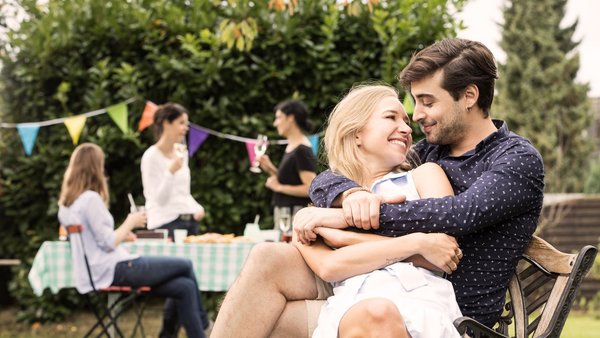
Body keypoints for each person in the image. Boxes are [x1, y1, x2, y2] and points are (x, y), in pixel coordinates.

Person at [211, 38, 544, 337]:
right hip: (367, 279)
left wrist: (343, 221)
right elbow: (333, 177)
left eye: (427, 101)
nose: (416, 116)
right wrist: (350, 194)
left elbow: (458, 215)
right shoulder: (428, 151)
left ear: (469, 95)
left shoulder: (514, 158)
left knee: (306, 316)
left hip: (452, 312)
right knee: (267, 264)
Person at [294, 84, 463, 338]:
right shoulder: (326, 199)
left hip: (420, 307)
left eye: (406, 122)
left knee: (378, 313)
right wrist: (417, 243)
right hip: (349, 308)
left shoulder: (424, 176)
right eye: (391, 117)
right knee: (374, 312)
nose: (407, 129)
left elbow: (443, 253)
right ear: (356, 133)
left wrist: (344, 236)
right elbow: (331, 268)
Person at [58, 143, 210, 338]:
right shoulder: (91, 199)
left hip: (98, 271)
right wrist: (130, 223)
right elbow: (107, 243)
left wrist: (121, 235)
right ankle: (204, 325)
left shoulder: (68, 205)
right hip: (117, 268)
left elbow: (96, 239)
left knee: (185, 287)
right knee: (185, 264)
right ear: (95, 167)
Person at [141, 102, 205, 241]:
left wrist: (196, 207)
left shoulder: (181, 152)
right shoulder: (151, 156)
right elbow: (159, 199)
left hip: (189, 223)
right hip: (164, 224)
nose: (185, 128)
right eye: (181, 123)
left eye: (186, 124)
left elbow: (183, 193)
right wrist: (171, 172)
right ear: (166, 123)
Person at [258, 100, 318, 233]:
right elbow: (291, 179)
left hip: (295, 216)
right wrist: (271, 169)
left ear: (291, 118)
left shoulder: (302, 149)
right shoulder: (292, 146)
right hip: (285, 214)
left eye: (278, 117)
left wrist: (279, 187)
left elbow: (310, 188)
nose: (275, 123)